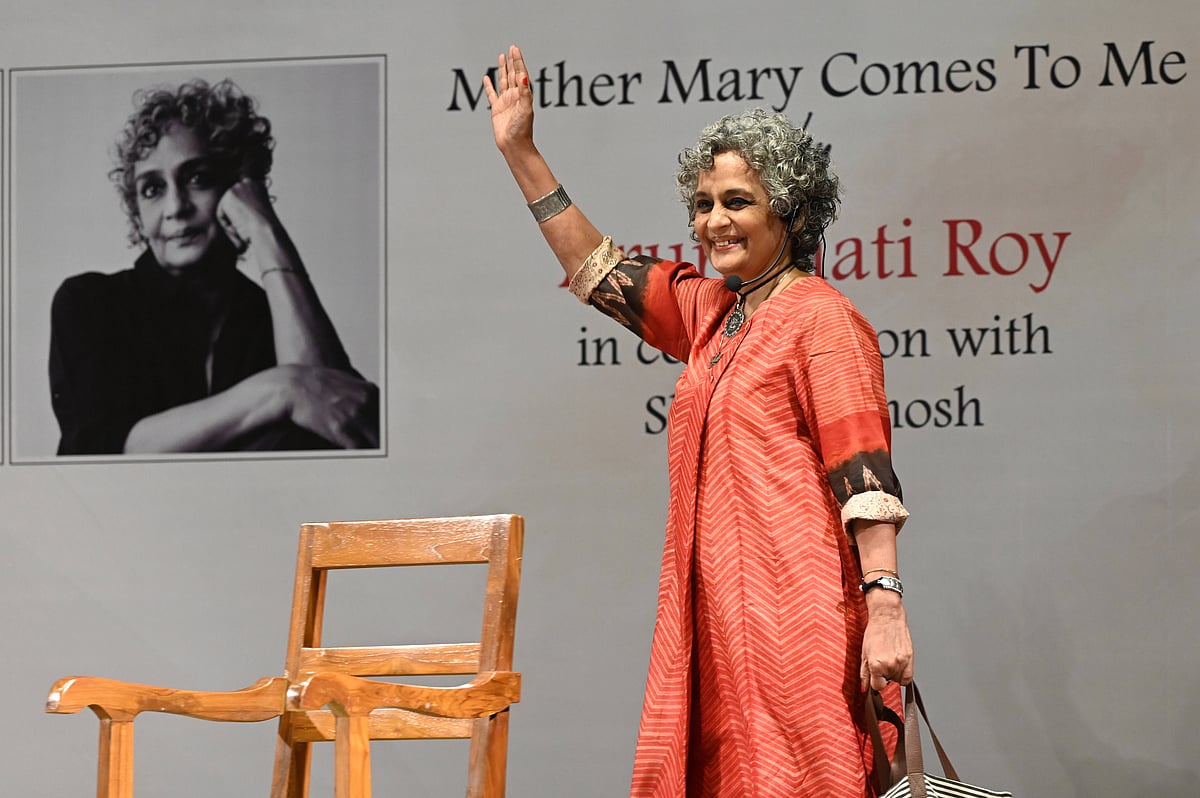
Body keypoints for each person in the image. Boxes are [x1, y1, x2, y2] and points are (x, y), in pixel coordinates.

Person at [486, 46, 913, 797]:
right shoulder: (713, 314)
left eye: (737, 201)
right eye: (704, 203)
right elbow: (599, 272)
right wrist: (522, 153)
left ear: (793, 211)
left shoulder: (823, 319)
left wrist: (885, 608)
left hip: (797, 611)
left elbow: (865, 473)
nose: (714, 221)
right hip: (712, 617)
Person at [49, 78, 378, 455]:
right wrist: (282, 389)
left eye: (198, 179)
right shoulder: (91, 302)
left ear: (237, 187)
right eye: (152, 189)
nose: (175, 207)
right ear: (137, 214)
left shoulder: (269, 315)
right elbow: (99, 452)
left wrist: (265, 230)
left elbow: (338, 421)